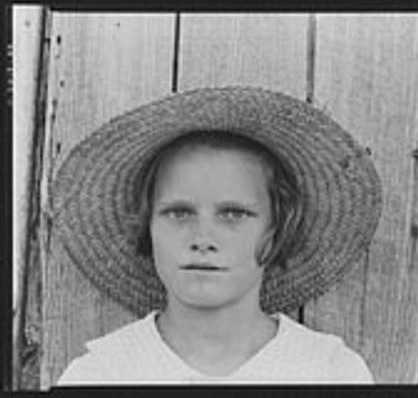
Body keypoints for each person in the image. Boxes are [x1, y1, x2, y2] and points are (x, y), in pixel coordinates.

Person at [53, 86, 382, 385]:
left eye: (233, 214)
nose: (202, 238)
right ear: (147, 225)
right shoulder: (100, 375)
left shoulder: (329, 372)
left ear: (276, 229)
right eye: (179, 212)